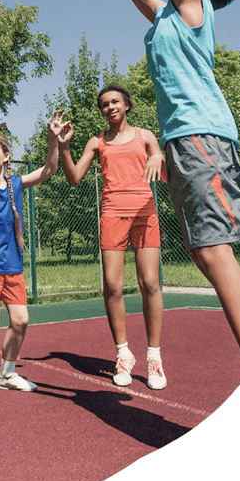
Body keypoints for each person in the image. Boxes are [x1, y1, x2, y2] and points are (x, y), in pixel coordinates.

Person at [67, 0, 240, 371]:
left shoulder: (193, 1)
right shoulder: (166, 15)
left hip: (201, 135)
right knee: (208, 255)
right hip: (187, 139)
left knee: (216, 253)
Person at [57, 85, 168, 389]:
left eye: (115, 102)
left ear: (127, 105)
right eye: (105, 104)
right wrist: (64, 147)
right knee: (112, 286)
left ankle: (154, 357)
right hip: (112, 214)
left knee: (150, 283)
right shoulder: (96, 142)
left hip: (145, 213)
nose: (110, 107)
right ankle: (123, 354)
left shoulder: (145, 136)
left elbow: (159, 159)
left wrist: (158, 157)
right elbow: (73, 178)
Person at [0, 108, 63, 403]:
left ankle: (6, 374)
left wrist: (53, 139)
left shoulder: (17, 184)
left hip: (11, 266)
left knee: (20, 320)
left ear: (7, 156)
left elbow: (49, 169)